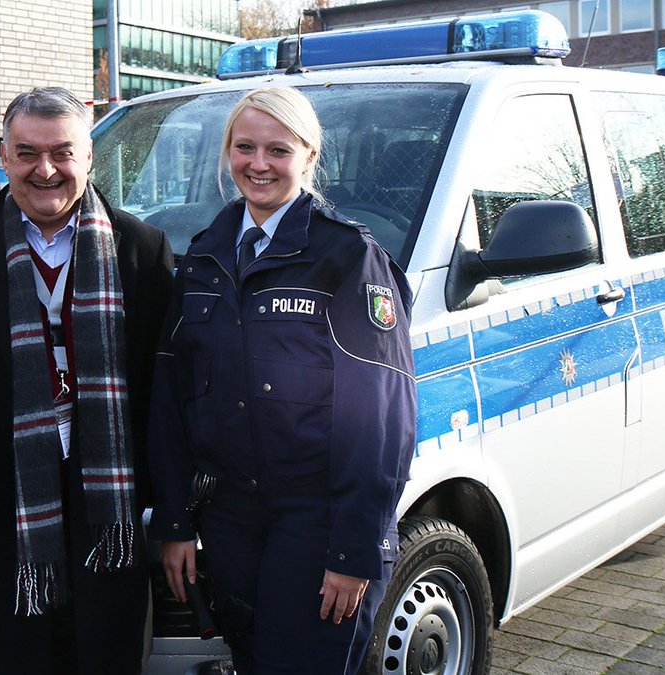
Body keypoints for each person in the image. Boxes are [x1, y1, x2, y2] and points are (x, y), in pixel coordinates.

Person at [148, 86, 417, 675]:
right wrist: (174, 519)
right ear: (227, 153)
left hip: (316, 520)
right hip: (230, 519)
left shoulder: (345, 257)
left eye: (278, 149)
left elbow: (379, 417)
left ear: (309, 157)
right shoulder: (205, 255)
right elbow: (170, 399)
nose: (259, 164)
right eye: (245, 147)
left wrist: (355, 548)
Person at [0, 86, 173, 675]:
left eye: (63, 153)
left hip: (104, 509)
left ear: (91, 158)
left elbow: (162, 384)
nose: (45, 170)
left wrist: (148, 486)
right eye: (26, 152)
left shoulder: (142, 251)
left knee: (94, 655)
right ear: (4, 157)